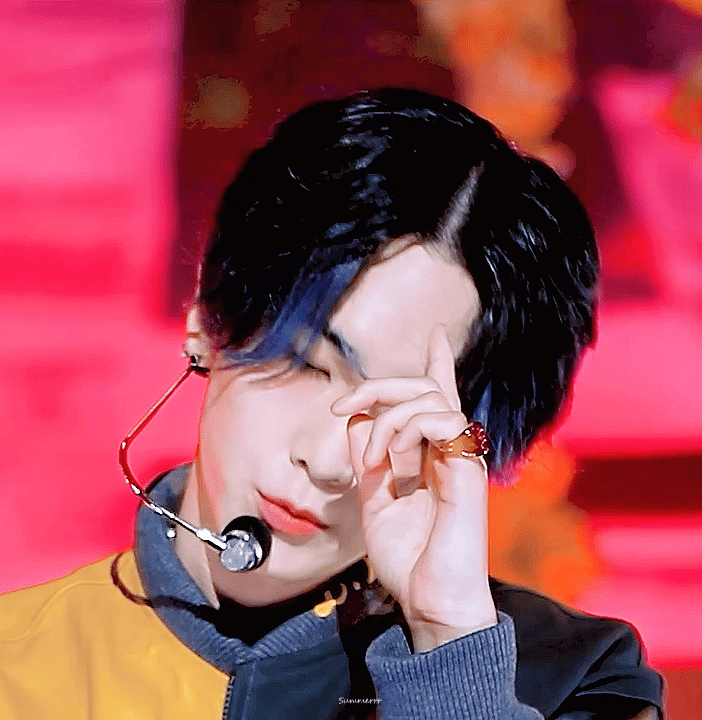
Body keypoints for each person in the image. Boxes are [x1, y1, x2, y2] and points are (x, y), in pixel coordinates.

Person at [0, 88, 663, 719]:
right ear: (207, 317)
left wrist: (449, 649)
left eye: (398, 414)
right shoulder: (17, 666)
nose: (325, 461)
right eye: (306, 364)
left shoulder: (576, 680)